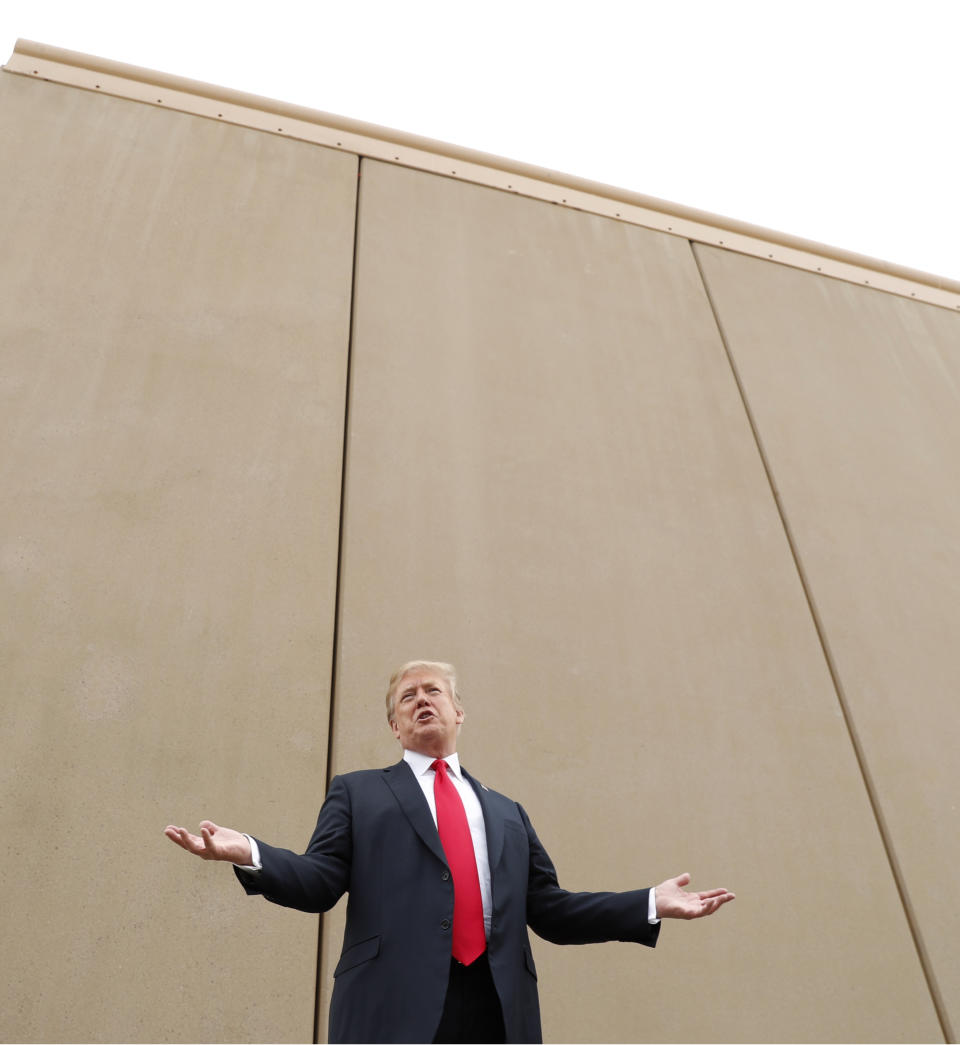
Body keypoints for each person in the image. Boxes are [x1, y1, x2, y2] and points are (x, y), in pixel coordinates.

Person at [165, 660, 734, 1043]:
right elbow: (318, 882)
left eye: (433, 691)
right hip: (392, 1004)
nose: (421, 701)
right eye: (407, 697)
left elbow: (552, 911)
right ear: (394, 724)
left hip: (496, 1004)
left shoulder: (508, 811)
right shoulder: (358, 792)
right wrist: (250, 853)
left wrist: (648, 903)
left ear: (459, 712)